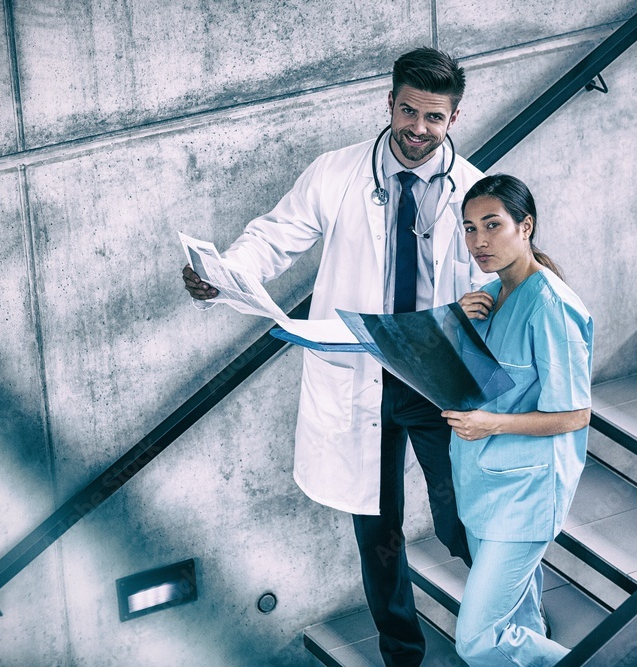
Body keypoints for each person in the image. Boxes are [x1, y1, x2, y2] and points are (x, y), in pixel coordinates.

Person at [182, 48, 489, 666]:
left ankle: (504, 624)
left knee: (465, 518)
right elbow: (275, 235)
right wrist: (226, 276)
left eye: (434, 117)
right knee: (377, 534)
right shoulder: (338, 173)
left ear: (454, 117)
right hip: (360, 375)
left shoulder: (477, 190)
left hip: (435, 378)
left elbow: (510, 274)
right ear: (390, 103)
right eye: (407, 111)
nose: (417, 129)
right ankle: (403, 654)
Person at [442, 174, 593, 666]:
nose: (479, 241)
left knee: (479, 639)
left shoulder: (550, 306)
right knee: (519, 624)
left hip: (524, 496)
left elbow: (574, 413)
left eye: (492, 225)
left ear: (525, 226)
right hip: (479, 483)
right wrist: (456, 323)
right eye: (469, 229)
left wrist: (492, 425)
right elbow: (458, 379)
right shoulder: (487, 297)